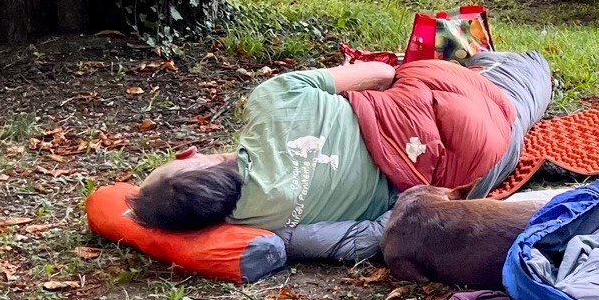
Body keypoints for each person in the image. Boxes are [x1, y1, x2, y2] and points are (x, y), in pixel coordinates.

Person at [130, 50, 551, 253]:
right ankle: (503, 64)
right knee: (524, 63)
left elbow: (368, 236)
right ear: (193, 160)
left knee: (522, 100)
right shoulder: (272, 100)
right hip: (461, 106)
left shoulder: (261, 223)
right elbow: (384, 73)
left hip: (480, 168)